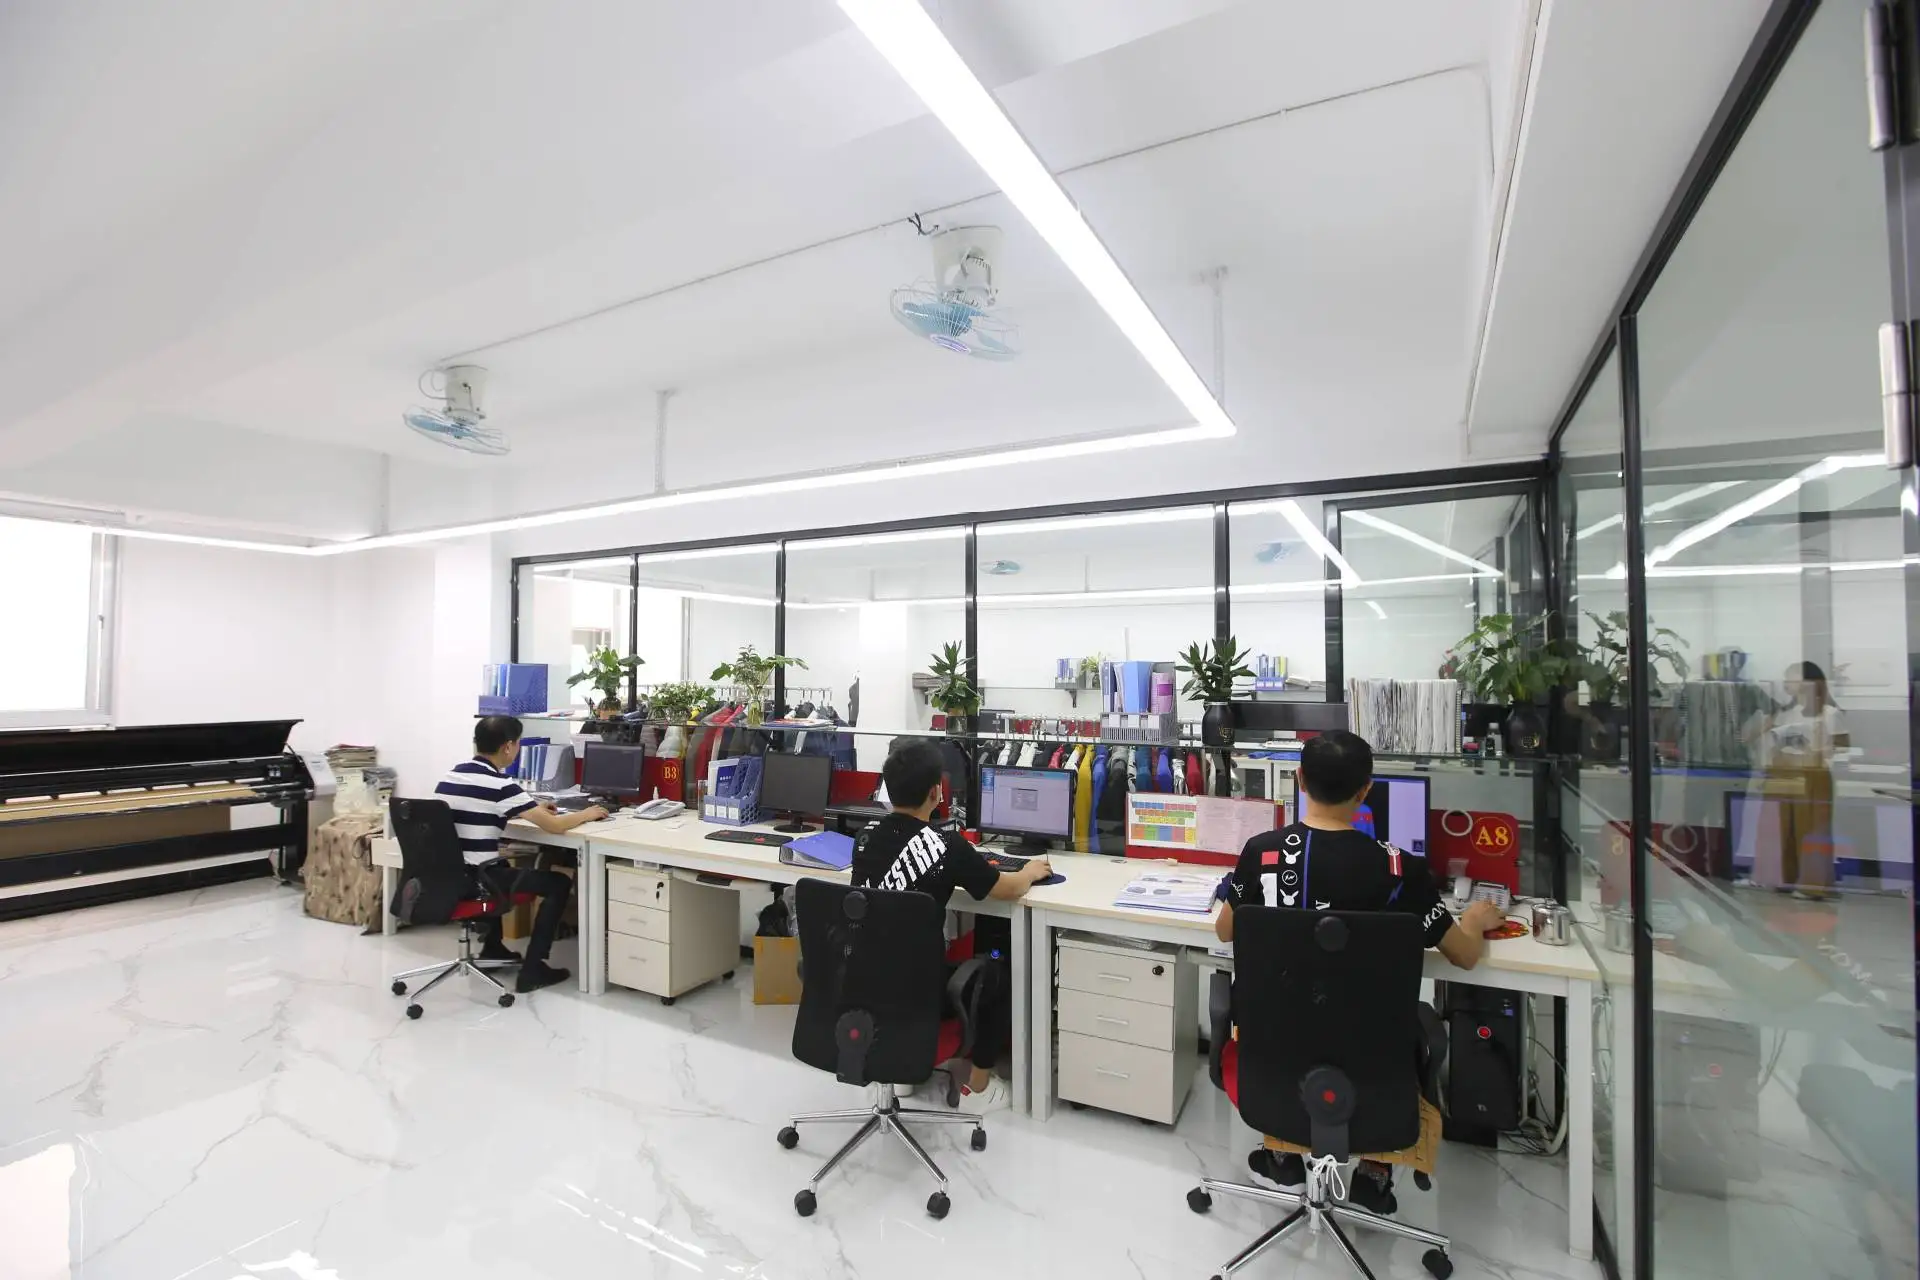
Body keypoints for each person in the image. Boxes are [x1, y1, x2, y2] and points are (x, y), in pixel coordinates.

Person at [1214, 729, 1505, 1212]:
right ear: (1366, 789)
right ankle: (1375, 1169)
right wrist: (1474, 919)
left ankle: (1282, 1148)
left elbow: (1226, 929)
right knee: (1368, 1022)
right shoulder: (1400, 870)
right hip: (1372, 1063)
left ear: (1299, 780)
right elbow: (1464, 956)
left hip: (1274, 1061)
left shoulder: (1261, 853)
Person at [850, 740, 1052, 1114]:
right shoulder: (945, 845)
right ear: (936, 792)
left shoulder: (865, 839)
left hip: (861, 983)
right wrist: (1028, 871)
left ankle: (899, 1071)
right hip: (918, 993)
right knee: (995, 975)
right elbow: (1006, 890)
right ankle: (979, 1087)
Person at [436, 715, 609, 992]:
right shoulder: (501, 785)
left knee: (500, 865)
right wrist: (587, 814)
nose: (517, 749)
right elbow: (554, 826)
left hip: (449, 876)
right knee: (558, 883)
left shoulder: (451, 777)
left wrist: (530, 807)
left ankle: (493, 949)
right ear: (508, 747)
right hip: (478, 880)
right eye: (517, 743)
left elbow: (484, 808)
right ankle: (533, 969)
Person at [1746, 660, 1848, 900]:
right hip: (1781, 772)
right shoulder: (1782, 713)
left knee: (1811, 829)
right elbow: (1754, 738)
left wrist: (1818, 750)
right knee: (1779, 828)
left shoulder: (1830, 713)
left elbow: (1842, 747)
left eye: (1791, 678)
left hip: (1812, 774)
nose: (1786, 683)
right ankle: (1783, 878)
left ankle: (1813, 885)